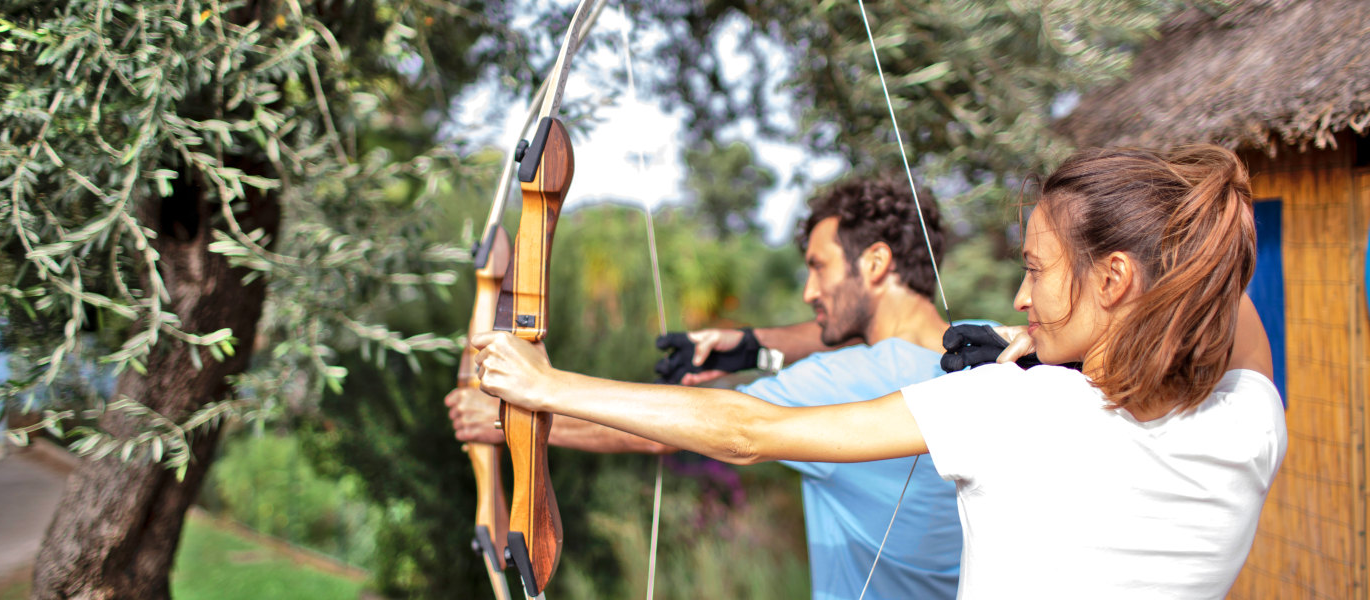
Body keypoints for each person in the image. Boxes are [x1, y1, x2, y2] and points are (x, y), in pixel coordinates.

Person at [472, 145, 1288, 599]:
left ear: (1113, 281)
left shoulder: (1014, 408)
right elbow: (1230, 304)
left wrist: (544, 387)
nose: (1018, 293)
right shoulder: (1248, 426)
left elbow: (751, 431)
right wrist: (1067, 334)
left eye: (1035, 272)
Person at [449, 177, 969, 599]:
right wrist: (748, 345)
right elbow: (852, 335)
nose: (810, 290)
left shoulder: (844, 380)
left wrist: (517, 411)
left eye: (819, 267)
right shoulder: (989, 360)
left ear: (875, 263)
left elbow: (676, 432)